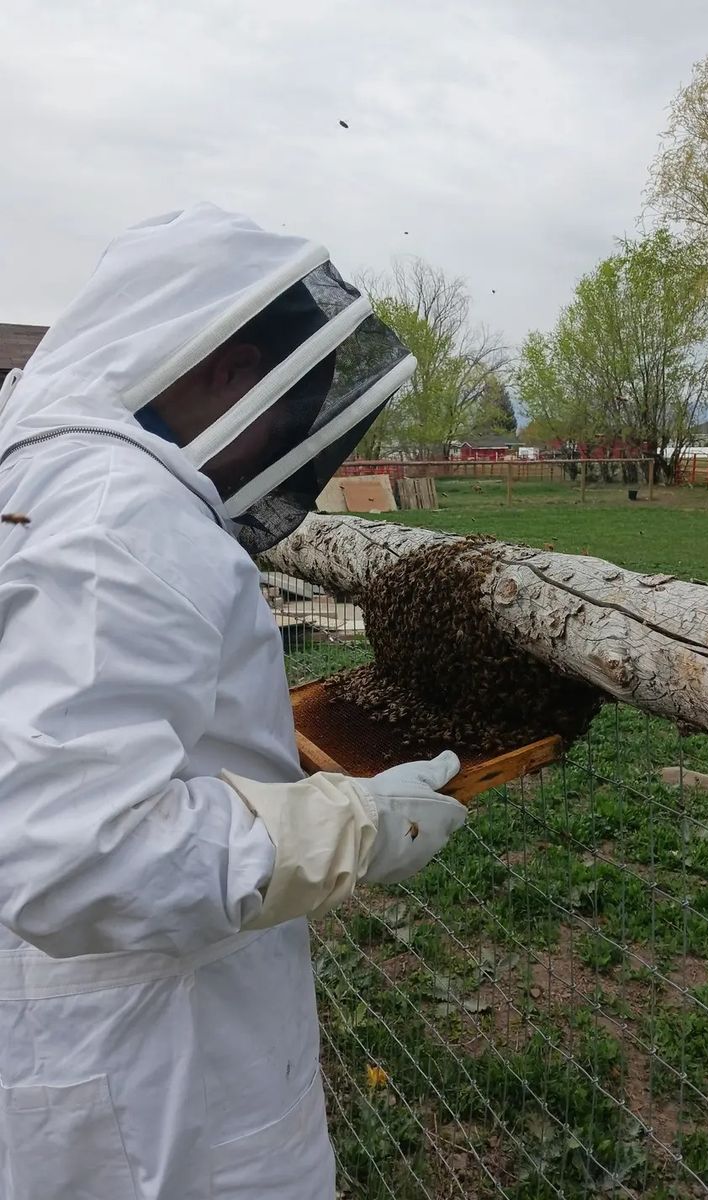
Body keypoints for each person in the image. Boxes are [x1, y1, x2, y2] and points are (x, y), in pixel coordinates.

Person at [0, 203, 466, 1199]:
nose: (293, 432)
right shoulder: (126, 517)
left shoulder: (43, 475)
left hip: (78, 1037)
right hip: (161, 1078)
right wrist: (354, 826)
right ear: (221, 366)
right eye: (287, 397)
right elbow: (75, 850)